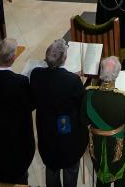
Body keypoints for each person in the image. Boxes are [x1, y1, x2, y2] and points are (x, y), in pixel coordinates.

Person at [0, 38, 35, 184]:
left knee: (0, 173)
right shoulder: (21, 81)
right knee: (19, 176)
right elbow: (30, 106)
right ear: (13, 58)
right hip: (17, 137)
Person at [31, 39, 86, 187]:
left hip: (46, 134)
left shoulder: (36, 75)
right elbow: (82, 106)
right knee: (70, 170)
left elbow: (53, 81)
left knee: (51, 169)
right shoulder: (73, 81)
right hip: (68, 137)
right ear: (64, 59)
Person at [82, 56, 125, 187]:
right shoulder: (123, 99)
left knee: (101, 180)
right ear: (117, 74)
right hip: (117, 147)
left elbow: (83, 120)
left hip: (95, 145)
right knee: (120, 179)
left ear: (101, 73)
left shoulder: (89, 95)